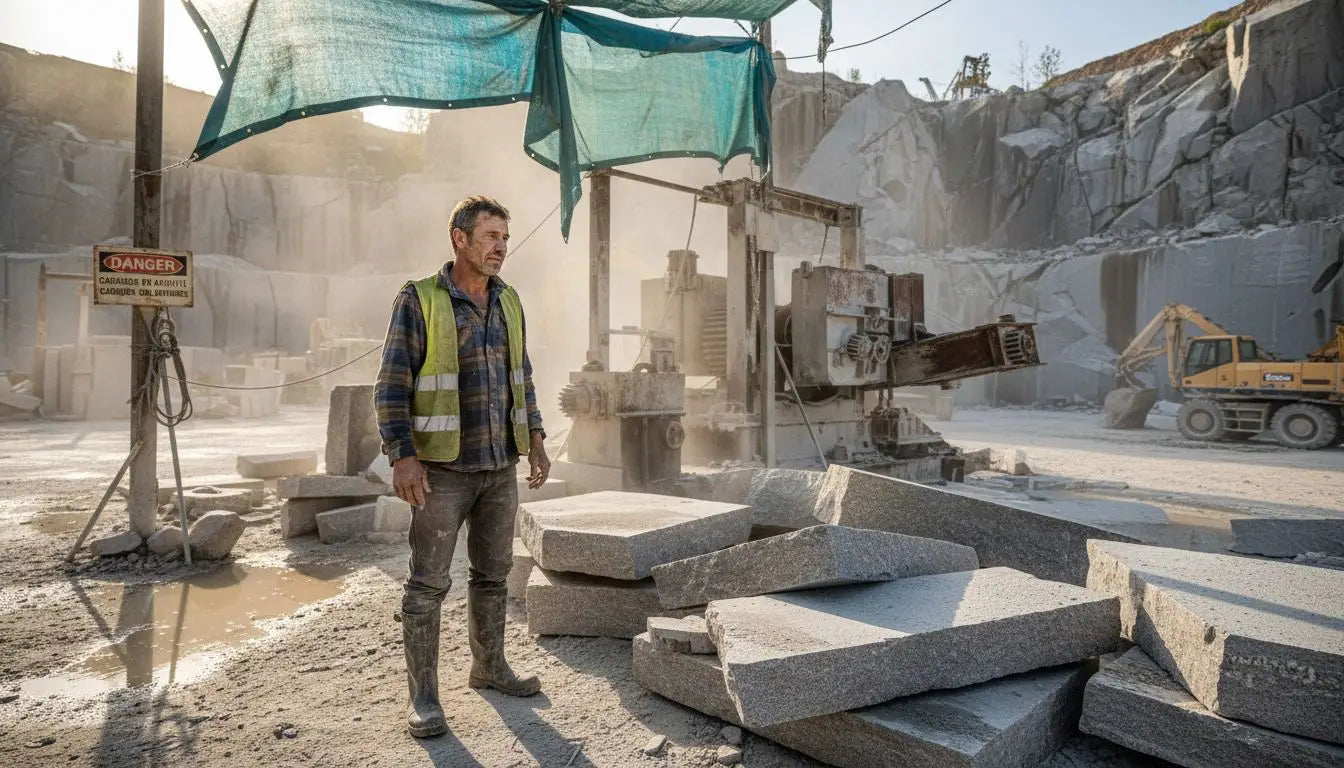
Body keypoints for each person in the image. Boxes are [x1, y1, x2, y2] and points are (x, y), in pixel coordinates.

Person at [374, 195, 550, 739]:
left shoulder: (509, 300)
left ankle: (489, 667)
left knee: (493, 576)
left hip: (500, 466)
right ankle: (424, 697)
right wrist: (402, 456)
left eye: (505, 237)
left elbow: (522, 375)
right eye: (491, 236)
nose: (501, 246)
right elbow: (392, 383)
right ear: (460, 238)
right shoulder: (420, 299)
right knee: (427, 584)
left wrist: (537, 439)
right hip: (443, 470)